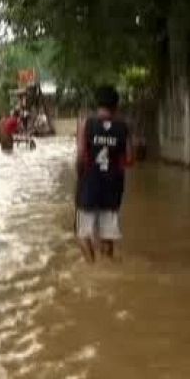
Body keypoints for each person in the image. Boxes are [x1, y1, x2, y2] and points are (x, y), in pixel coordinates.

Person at [75, 85, 133, 262]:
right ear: (116, 105)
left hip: (90, 185)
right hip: (112, 187)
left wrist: (80, 180)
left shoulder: (86, 124)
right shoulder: (124, 127)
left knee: (82, 234)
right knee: (107, 235)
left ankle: (91, 268)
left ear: (97, 104)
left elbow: (80, 157)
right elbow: (130, 159)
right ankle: (108, 266)